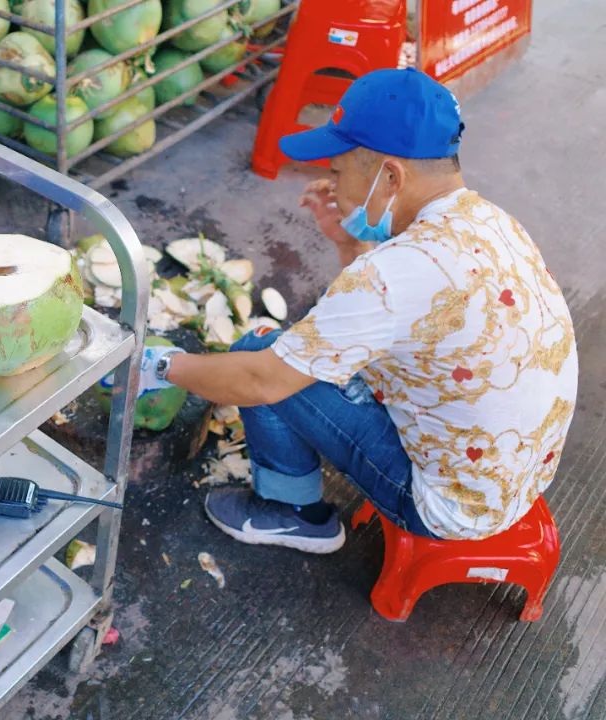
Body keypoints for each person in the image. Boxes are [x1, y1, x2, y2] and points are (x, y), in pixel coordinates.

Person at [137, 68, 578, 553]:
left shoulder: (395, 274)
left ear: (390, 175)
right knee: (293, 355)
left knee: (257, 348)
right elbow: (384, 321)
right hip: (517, 475)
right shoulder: (489, 221)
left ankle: (294, 515)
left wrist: (158, 366)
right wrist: (350, 244)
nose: (332, 185)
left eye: (338, 171)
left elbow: (263, 380)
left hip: (447, 508)